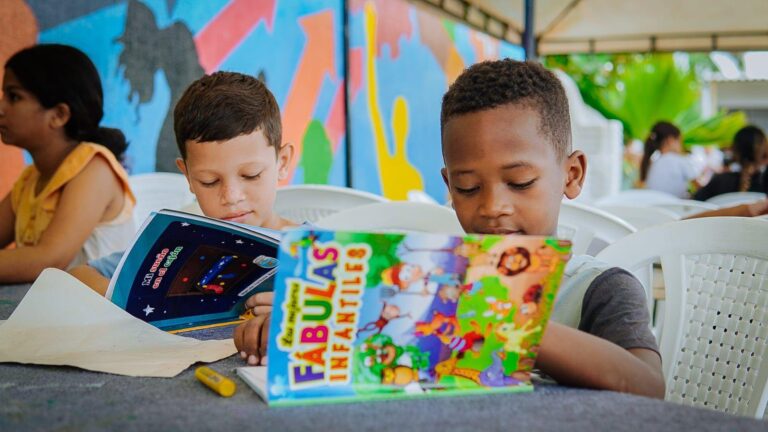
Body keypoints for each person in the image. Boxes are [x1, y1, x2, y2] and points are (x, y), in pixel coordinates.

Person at [236, 60, 666, 399]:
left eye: (520, 182)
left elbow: (647, 386)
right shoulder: (428, 283)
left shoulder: (598, 287)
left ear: (572, 174)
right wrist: (303, 324)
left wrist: (503, 320)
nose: (493, 207)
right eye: (468, 187)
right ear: (448, 186)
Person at [68, 71, 296, 295]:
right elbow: (79, 275)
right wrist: (126, 301)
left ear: (283, 162)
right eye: (209, 181)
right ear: (188, 177)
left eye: (251, 175)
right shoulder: (179, 246)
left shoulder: (312, 254)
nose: (231, 197)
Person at [0, 44, 135, 284]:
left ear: (59, 115)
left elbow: (48, 260)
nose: (2, 107)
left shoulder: (95, 168)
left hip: (96, 307)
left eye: (14, 97)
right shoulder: (30, 179)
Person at [693, 125, 767, 201]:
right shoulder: (764, 185)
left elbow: (695, 203)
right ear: (764, 154)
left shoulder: (720, 182)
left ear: (735, 151)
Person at [640, 121, 698, 198]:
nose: (682, 146)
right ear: (670, 140)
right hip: (674, 205)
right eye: (680, 141)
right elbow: (699, 188)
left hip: (654, 204)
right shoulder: (680, 161)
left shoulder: (652, 164)